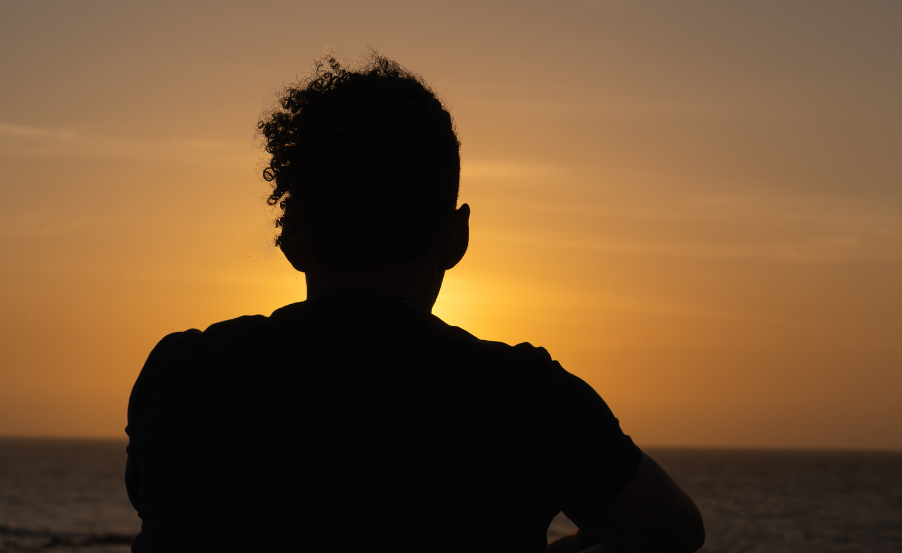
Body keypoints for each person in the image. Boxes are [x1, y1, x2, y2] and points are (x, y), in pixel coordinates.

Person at [124, 53, 705, 553]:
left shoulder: (180, 377)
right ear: (457, 236)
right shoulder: (527, 399)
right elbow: (674, 532)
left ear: (293, 235)